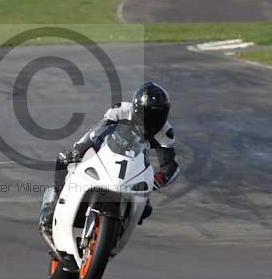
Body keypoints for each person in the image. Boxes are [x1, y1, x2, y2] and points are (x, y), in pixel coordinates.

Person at [39, 81, 180, 234]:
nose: (154, 118)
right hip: (106, 153)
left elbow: (170, 166)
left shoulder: (165, 132)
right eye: (150, 113)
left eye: (159, 114)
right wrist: (79, 149)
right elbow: (96, 132)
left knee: (145, 209)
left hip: (135, 167)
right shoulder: (121, 111)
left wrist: (158, 179)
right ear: (138, 109)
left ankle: (116, 233)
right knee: (64, 160)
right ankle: (53, 206)